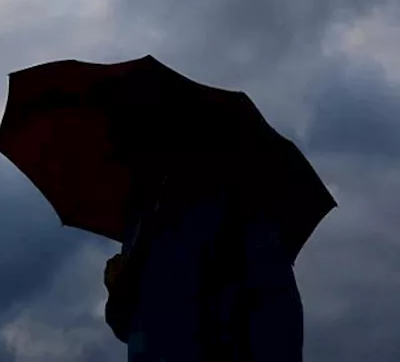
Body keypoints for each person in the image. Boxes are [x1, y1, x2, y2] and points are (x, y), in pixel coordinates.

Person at [102, 146, 305, 361]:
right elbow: (134, 324)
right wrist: (119, 290)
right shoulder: (143, 220)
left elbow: (273, 317)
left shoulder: (236, 215)